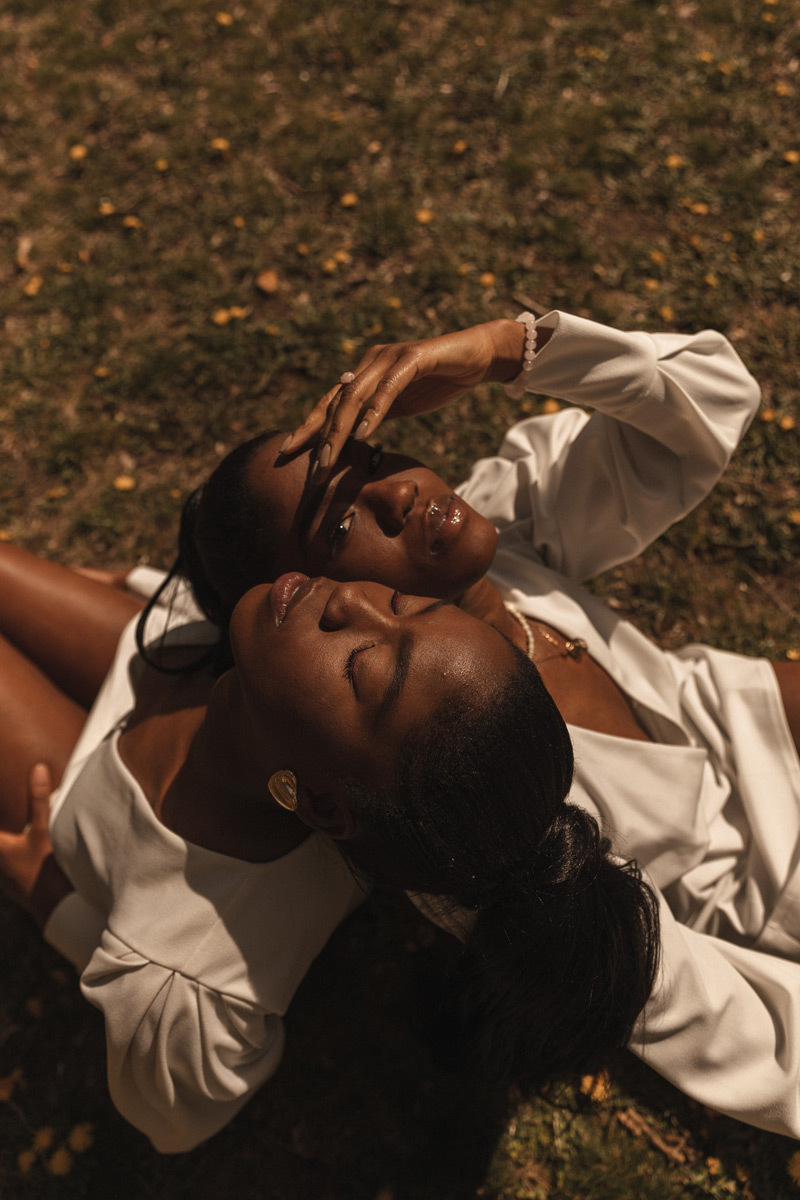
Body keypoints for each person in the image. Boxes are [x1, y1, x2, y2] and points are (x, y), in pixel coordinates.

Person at [146, 306, 800, 1141]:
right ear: (312, 607)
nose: (403, 490)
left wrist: (503, 352)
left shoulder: (504, 534)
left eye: (371, 458)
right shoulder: (476, 811)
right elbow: (754, 1041)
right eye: (344, 524)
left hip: (747, 715)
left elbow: (709, 401)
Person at [0, 547, 659, 1152]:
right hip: (175, 667)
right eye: (408, 604)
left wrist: (54, 903)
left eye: (360, 667)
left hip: (71, 800)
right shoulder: (278, 677)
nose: (353, 600)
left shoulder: (191, 966)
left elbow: (176, 1116)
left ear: (317, 805)